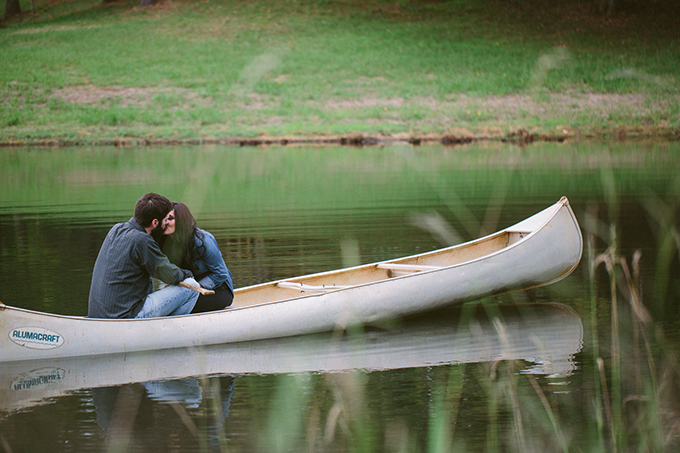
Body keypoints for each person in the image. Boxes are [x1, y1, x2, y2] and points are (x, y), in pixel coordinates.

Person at [88, 193, 200, 319]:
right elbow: (171, 275)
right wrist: (187, 274)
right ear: (155, 222)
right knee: (192, 286)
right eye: (165, 220)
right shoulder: (142, 240)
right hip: (126, 317)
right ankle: (169, 332)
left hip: (99, 316)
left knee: (148, 279)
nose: (166, 225)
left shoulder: (116, 229)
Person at [159, 202, 234, 313]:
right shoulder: (166, 242)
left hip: (218, 291)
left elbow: (221, 274)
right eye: (164, 218)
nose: (165, 222)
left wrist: (196, 286)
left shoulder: (203, 240)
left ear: (182, 221)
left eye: (170, 218)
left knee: (174, 306)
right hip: (189, 290)